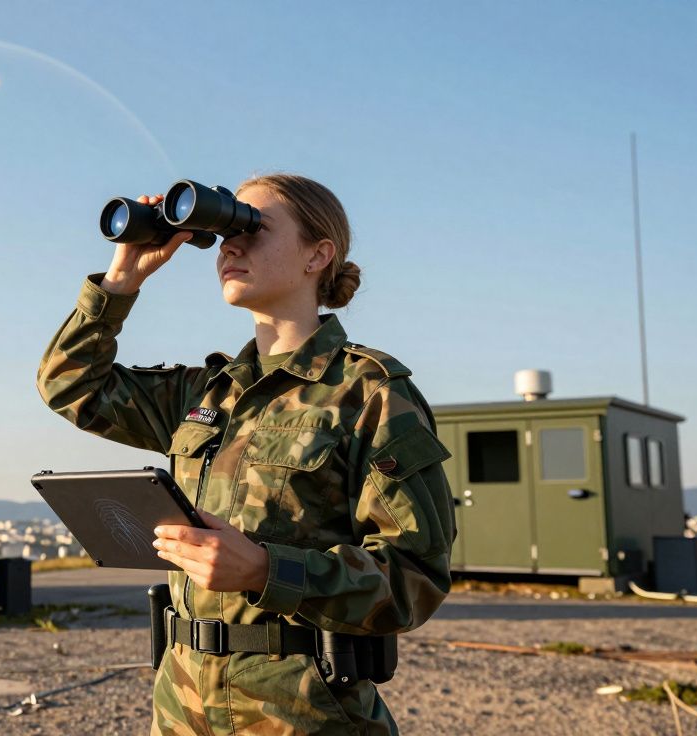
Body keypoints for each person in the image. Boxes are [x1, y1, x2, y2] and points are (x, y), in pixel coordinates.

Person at [36, 173, 456, 734]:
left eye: (253, 228)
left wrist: (264, 568)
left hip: (302, 709)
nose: (231, 245)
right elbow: (71, 387)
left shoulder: (370, 393)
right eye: (226, 228)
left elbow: (415, 577)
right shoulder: (205, 394)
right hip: (182, 704)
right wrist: (122, 280)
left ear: (317, 255)